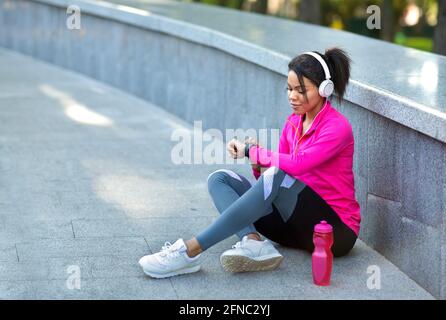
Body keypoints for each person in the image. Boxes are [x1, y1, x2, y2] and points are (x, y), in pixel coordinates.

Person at [138, 48, 361, 278]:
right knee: (220, 178)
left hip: (335, 234)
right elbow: (273, 181)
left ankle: (189, 251)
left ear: (325, 89)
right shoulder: (293, 123)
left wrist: (254, 151)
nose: (292, 96)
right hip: (294, 230)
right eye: (289, 89)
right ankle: (253, 242)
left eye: (301, 90)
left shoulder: (337, 128)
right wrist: (257, 165)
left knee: (275, 174)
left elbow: (297, 165)